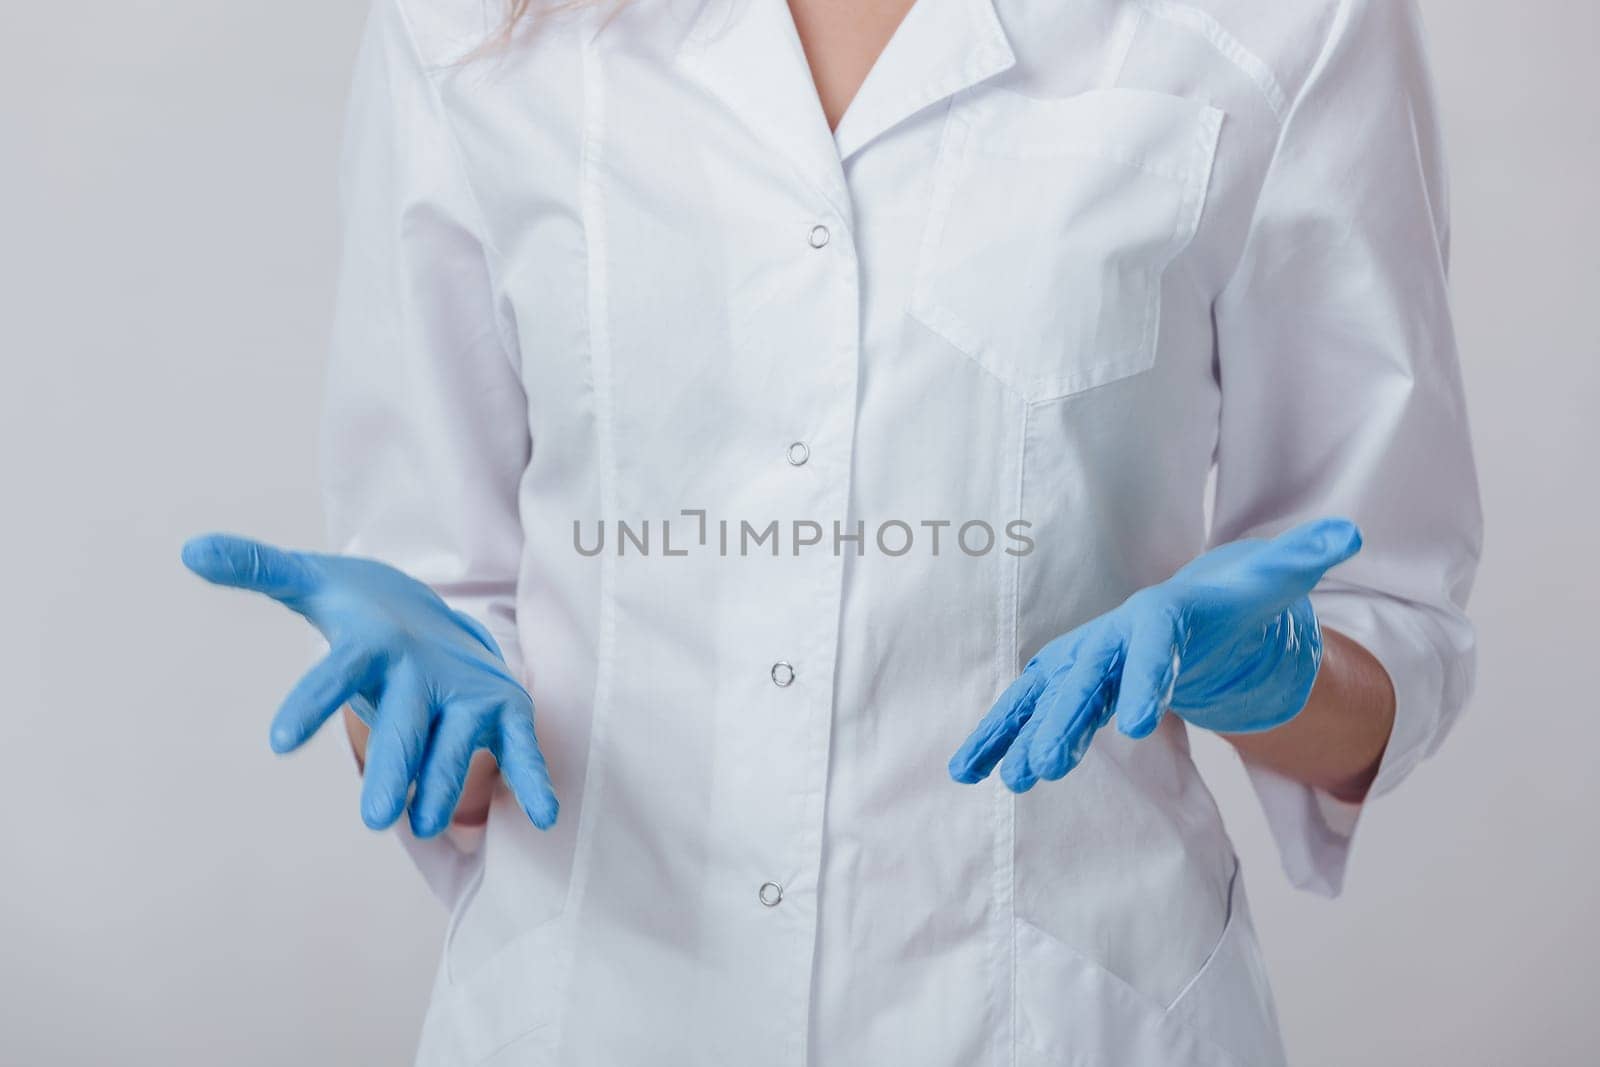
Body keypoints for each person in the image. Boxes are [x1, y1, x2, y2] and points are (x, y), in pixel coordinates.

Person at [183, 0, 1482, 1062]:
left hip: (1061, 1021)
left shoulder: (1287, 25)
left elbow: (1389, 622)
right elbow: (440, 605)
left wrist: (1276, 672)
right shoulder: (469, 32)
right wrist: (423, 703)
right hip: (590, 1016)